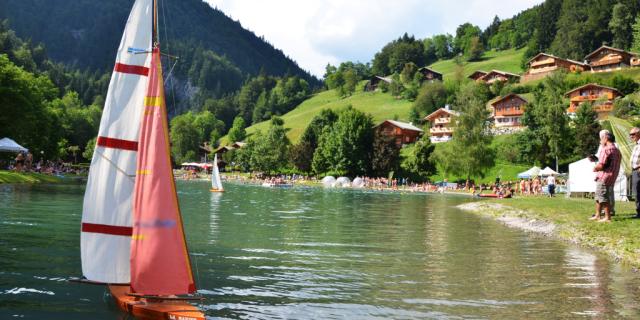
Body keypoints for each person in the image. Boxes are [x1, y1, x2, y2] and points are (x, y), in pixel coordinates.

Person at [592, 132, 621, 222]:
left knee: (603, 197)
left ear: (606, 139)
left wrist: (595, 168)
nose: (600, 141)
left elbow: (602, 165)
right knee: (598, 196)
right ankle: (597, 215)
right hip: (612, 176)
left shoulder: (606, 149)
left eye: (601, 139)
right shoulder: (617, 150)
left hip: (604, 176)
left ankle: (607, 217)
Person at [629, 127, 640, 218]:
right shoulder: (636, 144)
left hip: (638, 170)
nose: (631, 136)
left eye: (633, 134)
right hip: (635, 170)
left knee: (638, 191)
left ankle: (639, 213)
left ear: (638, 134)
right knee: (637, 191)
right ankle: (638, 212)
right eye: (630, 134)